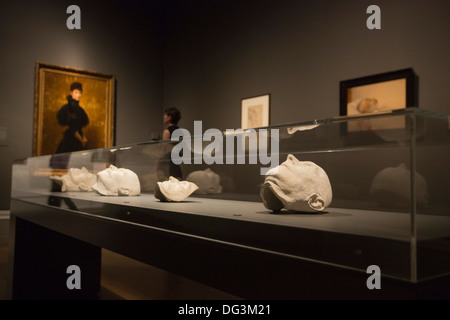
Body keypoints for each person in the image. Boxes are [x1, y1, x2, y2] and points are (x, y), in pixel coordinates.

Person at [55, 82, 89, 154]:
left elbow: (78, 126)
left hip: (78, 138)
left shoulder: (79, 109)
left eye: (80, 92)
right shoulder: (69, 108)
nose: (78, 95)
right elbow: (73, 129)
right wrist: (81, 139)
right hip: (71, 140)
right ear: (71, 93)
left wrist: (83, 137)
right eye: (76, 92)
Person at [158, 107, 182, 180]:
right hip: (177, 166)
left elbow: (164, 150)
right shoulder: (180, 131)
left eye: (165, 115)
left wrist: (157, 165)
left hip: (168, 165)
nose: (163, 117)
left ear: (170, 117)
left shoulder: (167, 132)